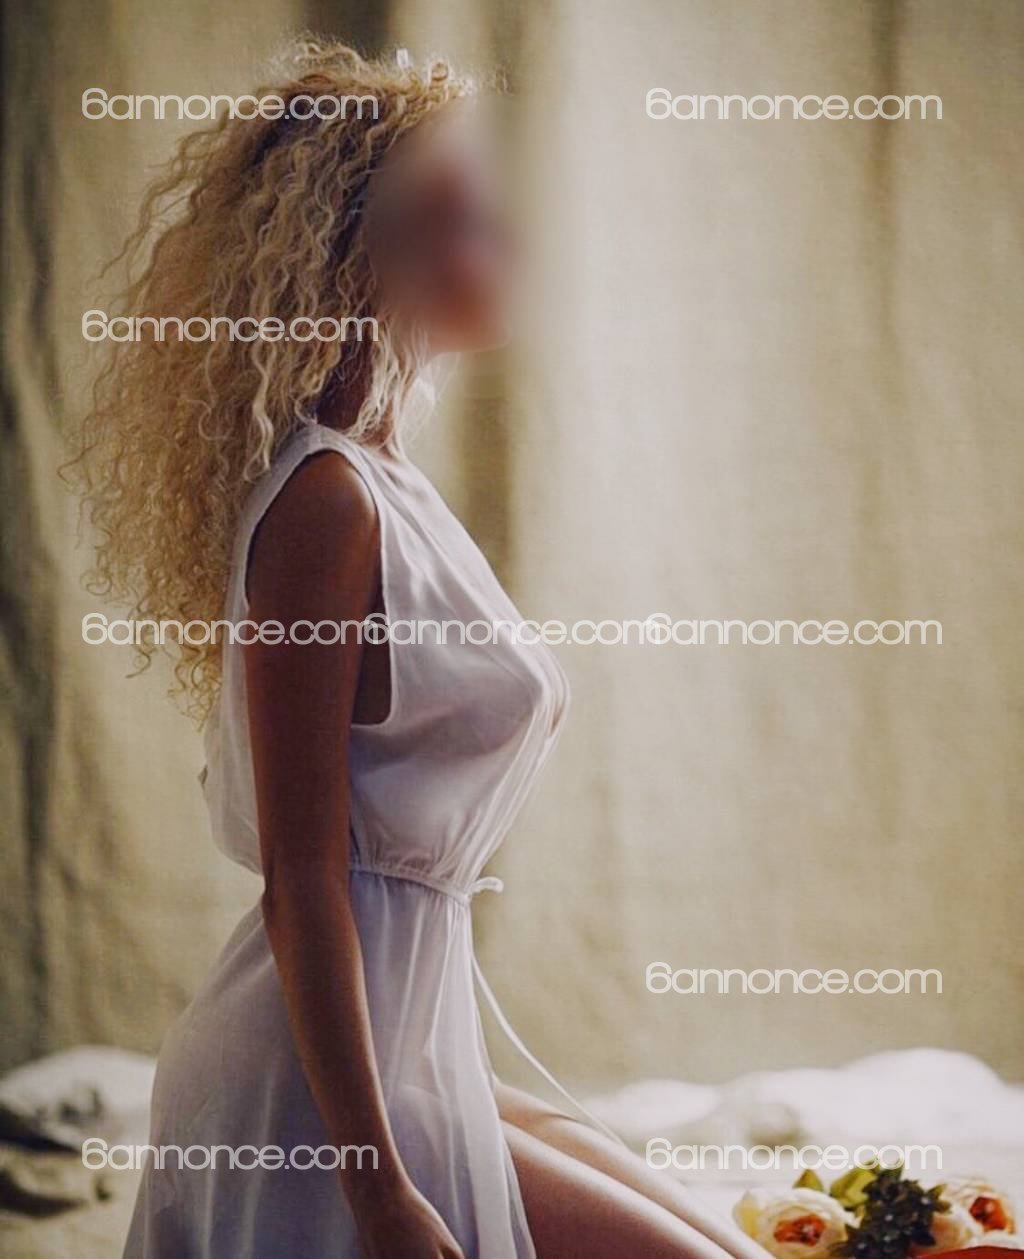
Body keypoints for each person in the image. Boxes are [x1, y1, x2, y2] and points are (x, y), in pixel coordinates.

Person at [71, 39, 766, 1259]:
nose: (509, 248)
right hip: (315, 1101)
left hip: (406, 1062)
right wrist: (379, 1185)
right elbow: (303, 880)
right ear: (362, 257)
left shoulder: (388, 484)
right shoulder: (326, 502)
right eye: (468, 223)